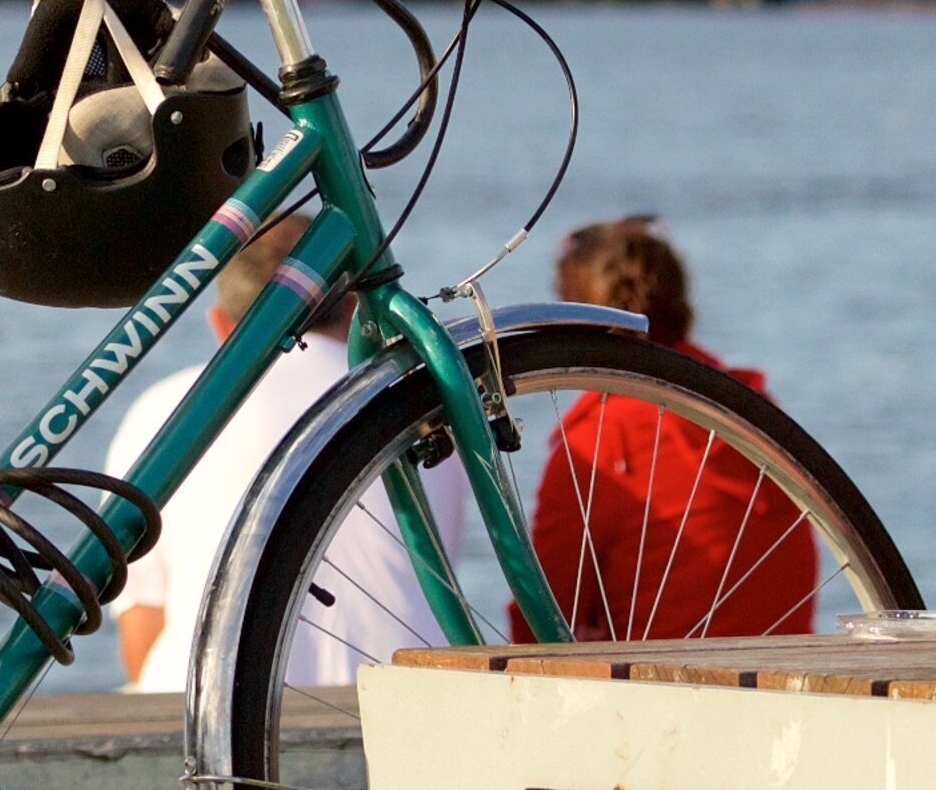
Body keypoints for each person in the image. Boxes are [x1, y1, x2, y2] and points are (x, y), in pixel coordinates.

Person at [109, 211, 462, 692]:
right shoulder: (415, 403)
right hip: (400, 694)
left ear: (221, 325)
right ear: (356, 306)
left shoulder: (165, 411)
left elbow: (141, 630)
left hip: (210, 701)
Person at [517, 216, 820, 639]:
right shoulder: (753, 410)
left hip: (667, 691)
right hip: (788, 678)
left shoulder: (601, 438)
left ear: (575, 312)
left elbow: (538, 621)